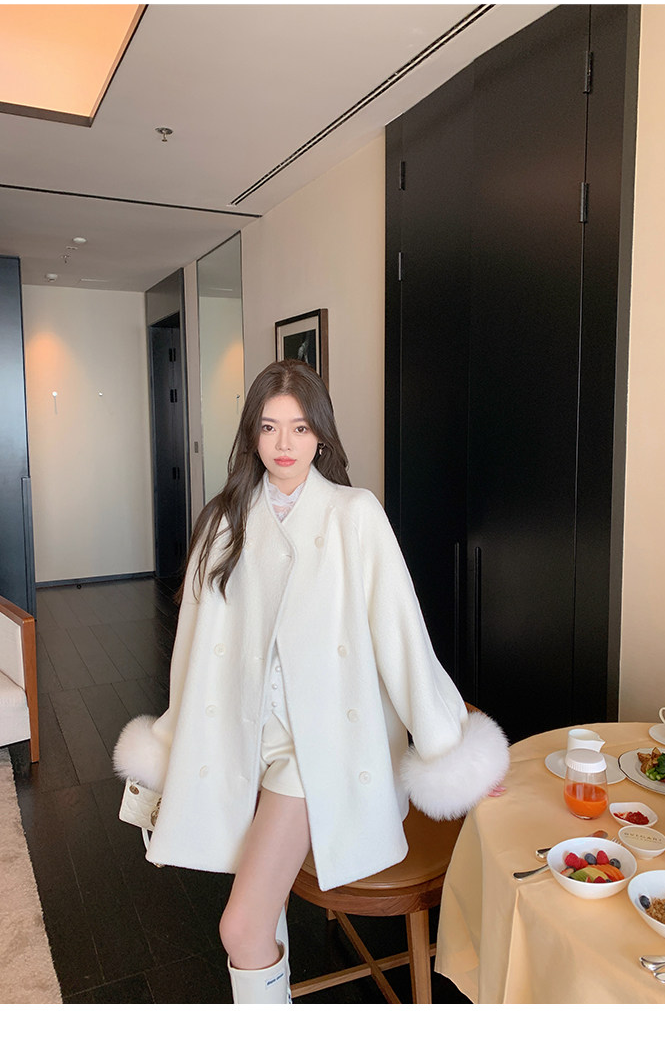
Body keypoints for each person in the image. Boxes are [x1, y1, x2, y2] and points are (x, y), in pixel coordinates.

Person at [114, 359, 510, 1004]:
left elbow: (403, 635)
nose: (284, 444)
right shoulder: (223, 521)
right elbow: (193, 649)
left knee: (241, 927)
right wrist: (169, 741)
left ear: (321, 435)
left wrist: (450, 748)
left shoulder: (354, 514)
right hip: (246, 736)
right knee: (263, 911)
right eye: (269, 427)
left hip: (319, 746)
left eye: (299, 428)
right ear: (252, 434)